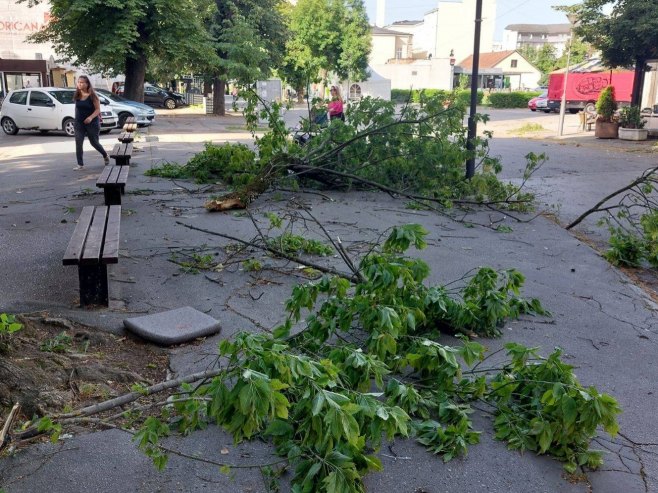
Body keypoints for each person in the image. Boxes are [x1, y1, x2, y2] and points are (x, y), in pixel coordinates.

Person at [73, 75, 109, 170]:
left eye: (82, 82)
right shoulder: (77, 95)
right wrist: (76, 120)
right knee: (78, 142)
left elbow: (98, 110)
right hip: (79, 123)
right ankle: (80, 164)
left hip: (92, 123)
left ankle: (105, 155)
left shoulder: (93, 96)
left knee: (94, 142)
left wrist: (90, 117)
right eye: (78, 82)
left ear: (87, 84)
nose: (79, 84)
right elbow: (77, 108)